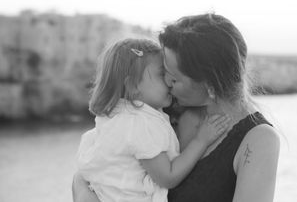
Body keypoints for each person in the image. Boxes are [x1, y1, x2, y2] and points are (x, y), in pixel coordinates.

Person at [73, 13, 280, 202]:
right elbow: (91, 171)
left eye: (173, 78)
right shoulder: (163, 111)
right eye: (164, 72)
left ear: (209, 85)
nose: (167, 82)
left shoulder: (258, 139)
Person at [75, 38, 230, 202]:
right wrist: (201, 140)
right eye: (162, 74)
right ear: (133, 86)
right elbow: (168, 177)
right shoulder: (141, 124)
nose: (169, 80)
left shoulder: (115, 118)